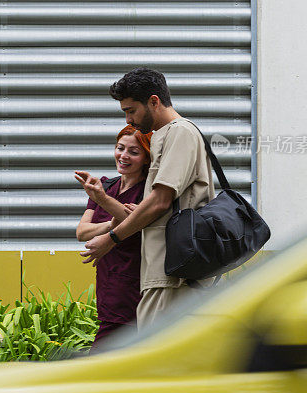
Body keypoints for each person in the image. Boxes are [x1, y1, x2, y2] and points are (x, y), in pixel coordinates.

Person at [80, 68, 215, 330]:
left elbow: (160, 200)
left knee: (158, 359)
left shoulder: (180, 132)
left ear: (154, 101)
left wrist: (112, 238)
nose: (129, 120)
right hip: (164, 270)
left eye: (132, 110)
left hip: (173, 273)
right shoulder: (165, 135)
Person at [75, 125, 152, 351]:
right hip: (107, 282)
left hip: (133, 286)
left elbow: (138, 224)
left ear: (146, 158)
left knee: (105, 353)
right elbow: (82, 232)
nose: (124, 156)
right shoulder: (106, 185)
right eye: (120, 148)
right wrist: (113, 224)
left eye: (134, 152)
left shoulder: (148, 192)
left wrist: (102, 200)